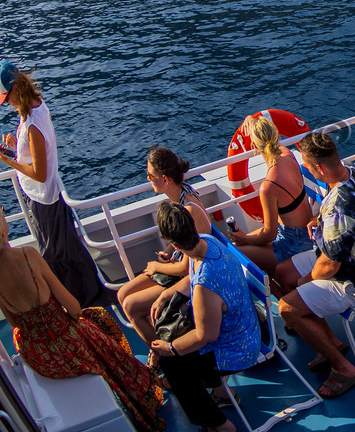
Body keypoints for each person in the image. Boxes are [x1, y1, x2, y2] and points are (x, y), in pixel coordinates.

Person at [0, 209, 164, 432]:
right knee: (98, 318)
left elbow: (15, 322)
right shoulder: (29, 256)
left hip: (38, 353)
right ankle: (142, 392)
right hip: (66, 342)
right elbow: (75, 310)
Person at [276, 131, 355, 399]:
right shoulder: (352, 170)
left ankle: (345, 368)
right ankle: (329, 341)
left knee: (287, 307)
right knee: (282, 272)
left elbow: (329, 266)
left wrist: (306, 282)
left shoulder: (341, 209)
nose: (304, 168)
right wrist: (321, 222)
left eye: (306, 164)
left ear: (318, 168)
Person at [147, 201, 258, 432]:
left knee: (174, 367)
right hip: (245, 328)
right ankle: (221, 392)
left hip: (237, 350)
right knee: (177, 350)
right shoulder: (208, 242)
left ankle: (220, 426)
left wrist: (170, 348)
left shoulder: (206, 286)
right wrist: (166, 294)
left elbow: (204, 336)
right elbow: (191, 274)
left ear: (174, 244)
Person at [0, 62, 103, 306]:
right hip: (43, 197)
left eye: (6, 99)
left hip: (43, 199)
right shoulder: (35, 108)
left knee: (54, 255)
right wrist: (16, 149)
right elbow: (37, 154)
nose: (6, 104)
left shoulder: (32, 122)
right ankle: (87, 296)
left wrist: (8, 161)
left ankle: (80, 302)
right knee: (65, 250)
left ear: (15, 90)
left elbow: (39, 173)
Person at [118, 147, 214, 350]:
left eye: (150, 175)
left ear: (165, 179)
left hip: (190, 275)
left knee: (130, 306)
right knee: (121, 294)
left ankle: (162, 355)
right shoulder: (181, 194)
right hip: (180, 263)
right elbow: (184, 239)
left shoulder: (188, 210)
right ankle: (160, 339)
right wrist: (169, 251)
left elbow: (185, 269)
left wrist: (156, 267)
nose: (148, 179)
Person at [229, 112, 318, 278]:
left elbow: (269, 234)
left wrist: (245, 240)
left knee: (235, 249)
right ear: (276, 135)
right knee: (245, 241)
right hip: (306, 235)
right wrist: (250, 119)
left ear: (254, 147)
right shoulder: (287, 154)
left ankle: (280, 296)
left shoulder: (268, 187)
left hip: (292, 245)